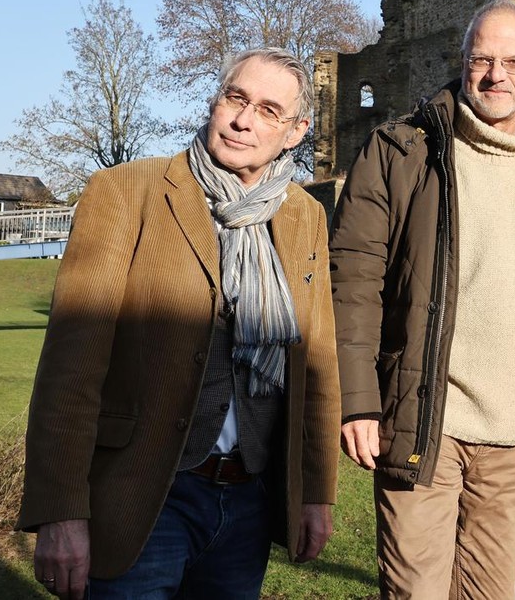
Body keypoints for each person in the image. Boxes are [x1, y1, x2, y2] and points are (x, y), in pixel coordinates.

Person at [20, 48, 341, 599]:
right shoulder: (126, 191)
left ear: (295, 132)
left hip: (248, 501)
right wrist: (61, 512)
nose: (243, 120)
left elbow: (316, 363)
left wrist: (315, 493)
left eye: (268, 110)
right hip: (143, 497)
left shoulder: (301, 214)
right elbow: (71, 369)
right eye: (236, 99)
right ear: (215, 101)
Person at [330, 0, 515, 599]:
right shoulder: (403, 152)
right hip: (426, 422)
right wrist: (357, 403)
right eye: (481, 58)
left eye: (511, 61)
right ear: (462, 62)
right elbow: (353, 281)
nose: (494, 74)